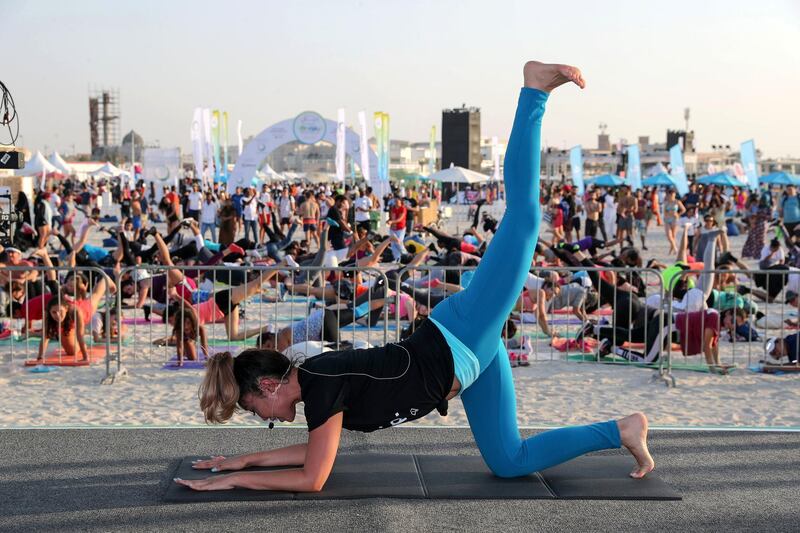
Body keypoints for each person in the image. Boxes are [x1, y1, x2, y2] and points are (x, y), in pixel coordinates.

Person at [177, 61, 654, 494]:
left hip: (460, 337)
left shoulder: (320, 384)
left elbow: (312, 476)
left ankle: (534, 93)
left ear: (267, 387)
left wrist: (236, 478)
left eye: (256, 413)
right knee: (509, 461)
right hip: (465, 363)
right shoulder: (316, 388)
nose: (267, 421)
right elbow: (312, 455)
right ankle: (622, 429)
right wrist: (242, 460)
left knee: (525, 220)